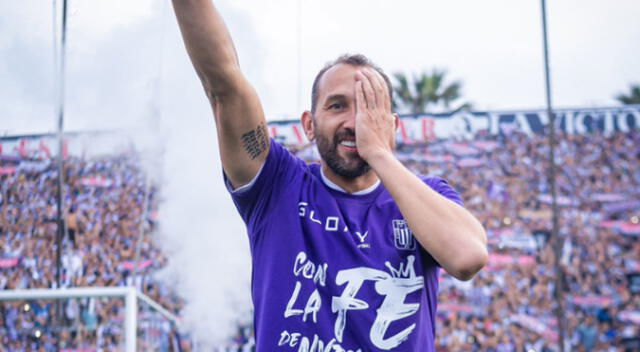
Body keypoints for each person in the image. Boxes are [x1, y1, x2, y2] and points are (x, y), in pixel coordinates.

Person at [171, 1, 488, 351]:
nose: (354, 123)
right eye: (337, 106)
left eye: (369, 109)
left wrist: (379, 152)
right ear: (309, 124)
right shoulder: (278, 186)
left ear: (391, 126)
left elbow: (468, 257)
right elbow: (224, 84)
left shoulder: (427, 196)